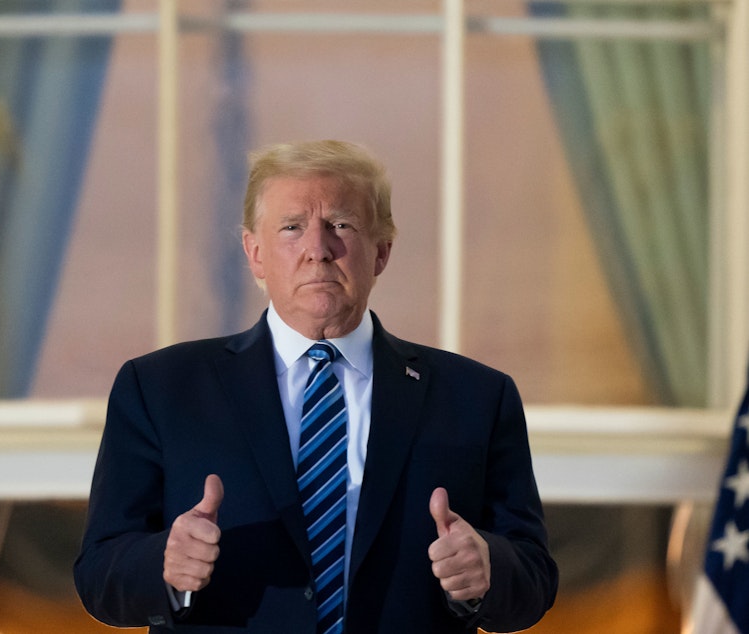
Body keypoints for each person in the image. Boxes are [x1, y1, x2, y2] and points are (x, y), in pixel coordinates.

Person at [74, 140, 558, 633]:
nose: (317, 249)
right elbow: (99, 574)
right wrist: (164, 565)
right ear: (254, 253)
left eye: (341, 225)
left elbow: (534, 579)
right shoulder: (160, 390)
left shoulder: (475, 397)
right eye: (291, 227)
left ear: (382, 252)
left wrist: (488, 569)